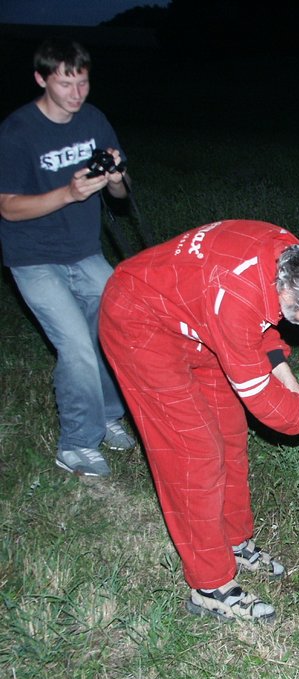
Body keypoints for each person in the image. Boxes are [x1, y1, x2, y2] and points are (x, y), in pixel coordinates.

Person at [98, 220, 299, 623]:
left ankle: (232, 540)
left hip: (198, 318)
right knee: (195, 453)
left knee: (229, 435)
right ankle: (209, 586)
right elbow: (266, 405)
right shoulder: (235, 299)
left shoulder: (290, 253)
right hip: (140, 325)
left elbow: (263, 327)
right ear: (286, 291)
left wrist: (286, 375)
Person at [0, 38, 135, 478]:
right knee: (76, 348)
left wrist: (115, 177)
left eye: (83, 82)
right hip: (33, 258)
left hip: (85, 252)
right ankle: (76, 443)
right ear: (41, 79)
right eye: (65, 83)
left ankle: (108, 413)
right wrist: (68, 193)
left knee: (117, 327)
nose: (77, 94)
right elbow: (8, 206)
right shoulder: (18, 131)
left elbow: (120, 193)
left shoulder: (93, 119)